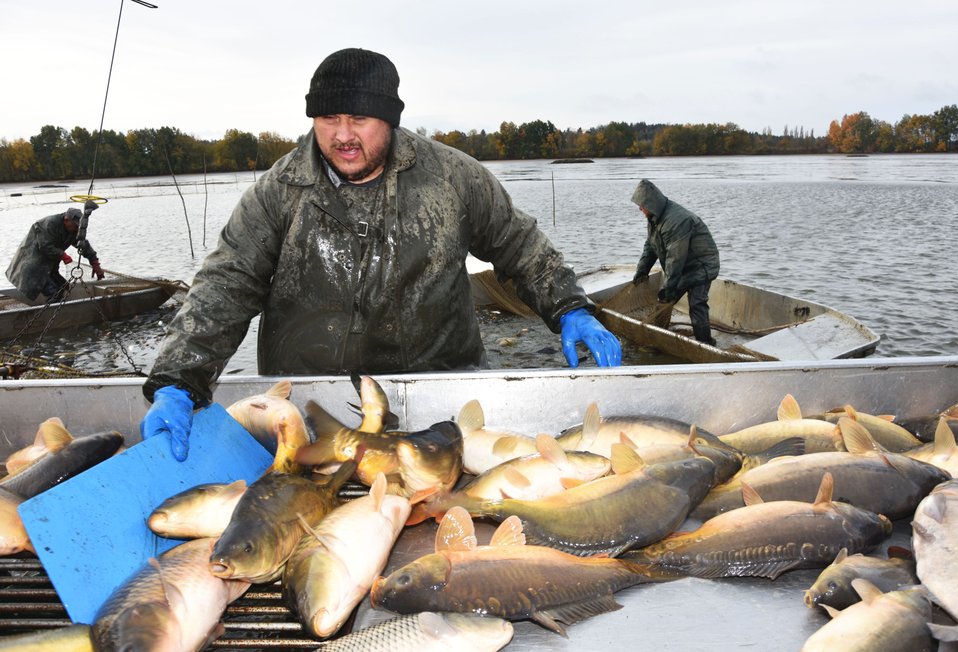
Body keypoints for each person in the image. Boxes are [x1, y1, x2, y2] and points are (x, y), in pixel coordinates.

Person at [140, 47, 622, 461]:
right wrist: (178, 380)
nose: (343, 135)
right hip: (312, 412)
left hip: (439, 402)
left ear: (390, 118)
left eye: (360, 119)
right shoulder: (279, 192)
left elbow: (519, 245)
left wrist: (570, 307)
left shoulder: (452, 178)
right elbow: (227, 285)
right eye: (329, 118)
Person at [630, 179, 719, 346]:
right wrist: (642, 270)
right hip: (683, 266)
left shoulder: (677, 221)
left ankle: (705, 343)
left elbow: (675, 259)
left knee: (697, 303)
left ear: (651, 203)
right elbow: (651, 246)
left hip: (702, 265)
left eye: (642, 205)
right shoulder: (654, 218)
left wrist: (669, 288)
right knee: (663, 303)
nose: (640, 208)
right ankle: (656, 341)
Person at [5, 202, 105, 302]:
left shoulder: (72, 230)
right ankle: (51, 315)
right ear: (66, 220)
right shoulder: (49, 224)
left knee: (62, 287)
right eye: (74, 225)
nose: (76, 228)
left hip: (49, 267)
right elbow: (45, 246)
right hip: (32, 265)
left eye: (77, 226)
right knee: (53, 291)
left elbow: (83, 244)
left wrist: (94, 262)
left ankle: (59, 311)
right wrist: (63, 255)